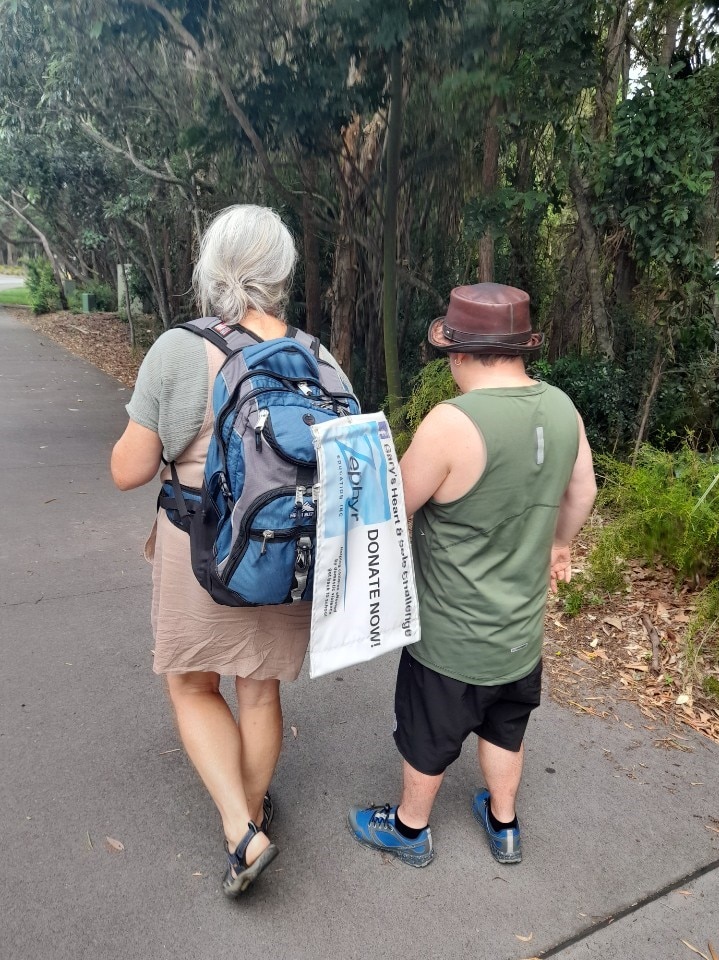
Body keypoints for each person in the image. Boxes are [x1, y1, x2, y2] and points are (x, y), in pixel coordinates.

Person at [111, 204, 350, 896]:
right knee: (260, 689)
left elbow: (128, 469)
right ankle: (251, 807)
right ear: (282, 274)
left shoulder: (182, 348)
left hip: (204, 548)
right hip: (290, 555)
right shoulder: (316, 355)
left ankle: (241, 831)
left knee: (190, 684)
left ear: (210, 270)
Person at [348, 282, 597, 868]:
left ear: (458, 355)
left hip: (450, 639)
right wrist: (559, 543)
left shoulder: (451, 422)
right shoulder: (562, 408)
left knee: (428, 733)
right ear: (520, 349)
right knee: (506, 726)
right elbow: (583, 489)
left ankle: (410, 830)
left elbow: (392, 503)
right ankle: (504, 824)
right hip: (521, 635)